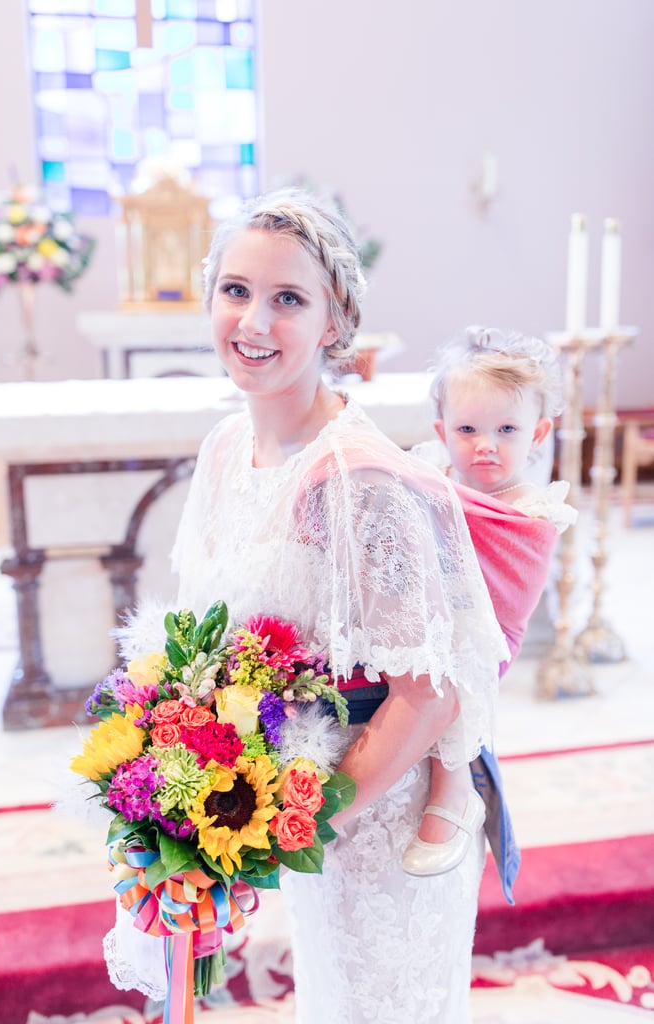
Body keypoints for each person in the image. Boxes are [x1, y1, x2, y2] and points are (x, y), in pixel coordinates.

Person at [101, 188, 510, 1023]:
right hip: (300, 800)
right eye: (236, 290)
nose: (253, 321)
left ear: (333, 322)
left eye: (288, 299)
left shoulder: (358, 479)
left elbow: (427, 692)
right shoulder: (225, 447)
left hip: (379, 829)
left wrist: (287, 827)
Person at [402, 327, 577, 880]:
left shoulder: (531, 509)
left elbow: (509, 589)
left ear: (539, 433)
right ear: (441, 431)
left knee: (457, 677)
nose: (486, 444)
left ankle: (454, 786)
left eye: (507, 429)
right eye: (468, 429)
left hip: (488, 632)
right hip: (426, 614)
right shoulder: (429, 474)